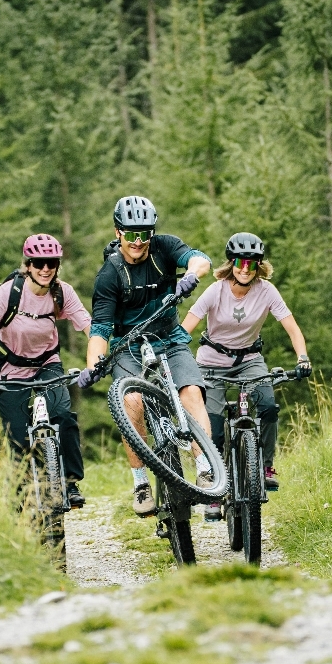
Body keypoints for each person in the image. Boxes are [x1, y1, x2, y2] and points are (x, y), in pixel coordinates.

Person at [77, 195, 215, 517]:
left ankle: (206, 467)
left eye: (144, 234)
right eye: (130, 234)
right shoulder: (109, 275)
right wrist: (93, 365)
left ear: (152, 233)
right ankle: (141, 482)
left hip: (169, 338)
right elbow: (99, 331)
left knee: (191, 393)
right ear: (118, 233)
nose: (138, 242)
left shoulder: (165, 248)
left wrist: (190, 276)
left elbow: (200, 259)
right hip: (128, 347)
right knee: (132, 402)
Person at [181, 232, 311, 519]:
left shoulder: (267, 291)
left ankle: (265, 466)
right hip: (211, 363)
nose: (244, 268)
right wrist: (175, 357)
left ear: (257, 266)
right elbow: (185, 327)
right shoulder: (215, 290)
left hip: (250, 360)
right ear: (231, 262)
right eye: (239, 262)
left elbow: (292, 327)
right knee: (211, 421)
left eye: (251, 263)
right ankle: (214, 487)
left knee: (267, 404)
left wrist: (302, 357)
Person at [0, 234, 91, 508]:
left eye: (52, 263)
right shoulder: (9, 292)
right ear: (28, 264)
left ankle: (70, 484)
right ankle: (19, 502)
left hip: (47, 365)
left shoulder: (62, 292)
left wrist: (97, 360)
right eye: (39, 262)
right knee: (20, 440)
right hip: (10, 370)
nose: (45, 268)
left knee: (64, 418)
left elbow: (90, 328)